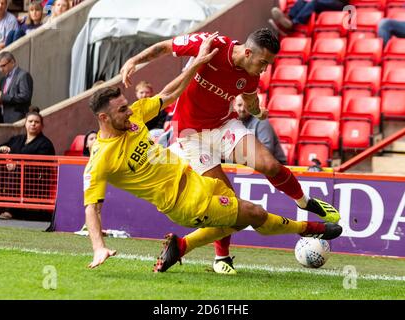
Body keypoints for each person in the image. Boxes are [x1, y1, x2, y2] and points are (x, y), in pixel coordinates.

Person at [85, 33, 342, 270]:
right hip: (190, 137)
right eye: (263, 62)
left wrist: (257, 112)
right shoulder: (212, 44)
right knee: (236, 207)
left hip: (220, 127)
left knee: (269, 166)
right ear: (249, 53)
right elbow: (165, 48)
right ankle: (221, 257)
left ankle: (304, 203)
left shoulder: (137, 114)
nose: (265, 69)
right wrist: (135, 60)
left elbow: (245, 102)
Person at [0, 106, 55, 219]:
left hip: (35, 181)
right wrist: (2, 148)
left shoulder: (45, 143)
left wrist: (16, 165)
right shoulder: (17, 139)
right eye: (30, 121)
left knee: (17, 172)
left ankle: (10, 211)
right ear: (25, 124)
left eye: (36, 122)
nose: (33, 124)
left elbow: (40, 163)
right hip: (12, 177)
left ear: (42, 126)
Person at [234, 95, 286, 164]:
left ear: (251, 107)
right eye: (239, 105)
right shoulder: (233, 123)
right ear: (234, 106)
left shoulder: (261, 121)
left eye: (246, 105)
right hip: (248, 166)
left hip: (275, 166)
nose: (242, 109)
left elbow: (267, 151)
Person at [269, 0, 349, 36]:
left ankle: (294, 23)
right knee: (301, 1)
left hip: (340, 3)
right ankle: (288, 19)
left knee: (314, 3)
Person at [0, 51, 34, 123]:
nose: (1, 70)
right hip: (3, 119)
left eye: (3, 66)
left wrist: (3, 97)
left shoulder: (23, 75)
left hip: (17, 119)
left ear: (13, 62)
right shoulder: (3, 79)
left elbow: (25, 96)